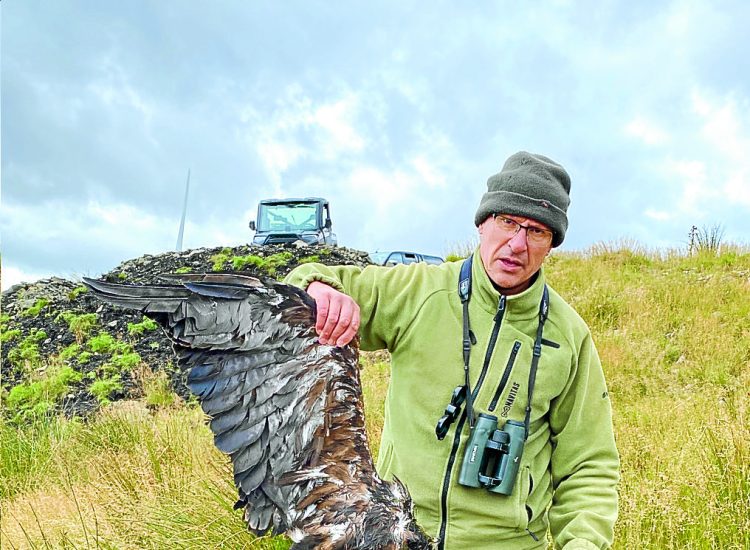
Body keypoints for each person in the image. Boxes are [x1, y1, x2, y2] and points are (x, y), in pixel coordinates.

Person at [284, 151, 620, 550]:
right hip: (397, 536)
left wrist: (583, 543)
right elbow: (305, 287)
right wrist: (316, 286)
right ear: (482, 223)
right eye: (507, 221)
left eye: (536, 231)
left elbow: (590, 465)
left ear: (552, 245)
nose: (517, 243)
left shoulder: (569, 337)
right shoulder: (418, 292)